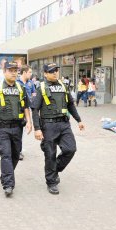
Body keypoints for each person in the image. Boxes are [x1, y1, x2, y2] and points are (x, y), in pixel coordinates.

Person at [31, 63, 85, 194]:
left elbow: (71, 105)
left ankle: (54, 170)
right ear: (45, 73)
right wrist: (37, 128)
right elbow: (35, 109)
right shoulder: (41, 88)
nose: (55, 73)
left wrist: (79, 120)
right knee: (50, 154)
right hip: (48, 126)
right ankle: (51, 182)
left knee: (70, 149)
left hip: (64, 124)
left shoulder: (63, 86)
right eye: (51, 71)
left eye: (56, 70)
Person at [0, 61, 32, 197]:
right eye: (10, 70)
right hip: (2, 128)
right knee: (6, 155)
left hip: (17, 128)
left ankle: (5, 176)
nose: (13, 72)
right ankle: (8, 184)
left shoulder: (20, 88)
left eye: (15, 70)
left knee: (15, 155)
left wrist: (29, 121)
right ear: (4, 72)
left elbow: (26, 106)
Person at [17, 64, 36, 161]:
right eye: (29, 72)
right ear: (24, 72)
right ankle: (15, 150)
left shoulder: (31, 83)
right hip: (17, 109)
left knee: (22, 131)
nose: (31, 74)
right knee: (17, 130)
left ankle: (18, 151)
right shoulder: (16, 82)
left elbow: (34, 94)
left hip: (27, 109)